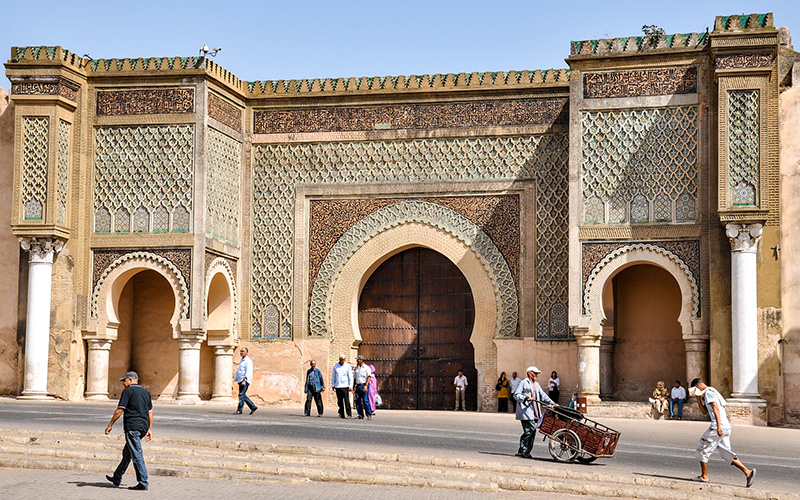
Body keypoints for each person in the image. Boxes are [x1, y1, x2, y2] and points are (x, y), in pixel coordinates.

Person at [689, 378, 756, 487]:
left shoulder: (709, 393)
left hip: (717, 427)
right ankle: (748, 472)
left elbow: (716, 409)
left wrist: (719, 426)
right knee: (726, 453)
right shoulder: (709, 393)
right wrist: (697, 398)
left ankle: (704, 476)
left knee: (702, 449)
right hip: (726, 427)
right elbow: (704, 412)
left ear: (697, 386)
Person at [104, 371, 153, 491]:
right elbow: (150, 412)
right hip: (142, 427)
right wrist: (149, 429)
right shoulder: (146, 392)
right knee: (127, 454)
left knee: (137, 454)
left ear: (130, 380)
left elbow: (120, 409)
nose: (123, 384)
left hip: (133, 427)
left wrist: (110, 424)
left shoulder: (128, 391)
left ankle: (143, 482)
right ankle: (117, 477)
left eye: (124, 381)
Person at [513, 366, 555, 458]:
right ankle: (522, 450)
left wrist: (553, 403)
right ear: (529, 373)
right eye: (535, 373)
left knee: (532, 431)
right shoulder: (523, 383)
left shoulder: (536, 385)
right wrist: (525, 398)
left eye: (537, 374)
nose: (537, 375)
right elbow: (516, 395)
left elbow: (543, 395)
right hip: (526, 411)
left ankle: (526, 451)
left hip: (535, 411)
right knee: (530, 430)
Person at [233, 347, 258, 415]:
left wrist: (245, 380)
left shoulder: (248, 361)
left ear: (246, 352)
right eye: (240, 351)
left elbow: (248, 371)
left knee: (241, 395)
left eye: (242, 351)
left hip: (245, 380)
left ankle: (239, 410)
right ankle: (252, 407)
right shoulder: (242, 360)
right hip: (241, 380)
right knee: (242, 395)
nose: (241, 352)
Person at [331, 354, 353, 419]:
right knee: (339, 401)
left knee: (346, 400)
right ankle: (341, 413)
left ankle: (349, 413)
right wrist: (333, 384)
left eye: (344, 359)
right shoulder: (336, 366)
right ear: (339, 359)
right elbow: (334, 376)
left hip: (345, 385)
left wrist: (350, 385)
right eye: (342, 359)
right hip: (338, 386)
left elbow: (350, 376)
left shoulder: (347, 366)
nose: (343, 361)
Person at [353, 354, 373, 420]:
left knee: (365, 400)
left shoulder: (367, 368)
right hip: (358, 385)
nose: (357, 361)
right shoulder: (357, 368)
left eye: (358, 360)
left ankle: (368, 415)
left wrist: (366, 385)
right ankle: (360, 415)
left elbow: (369, 377)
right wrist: (354, 386)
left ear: (361, 360)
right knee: (358, 401)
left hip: (364, 385)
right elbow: (355, 378)